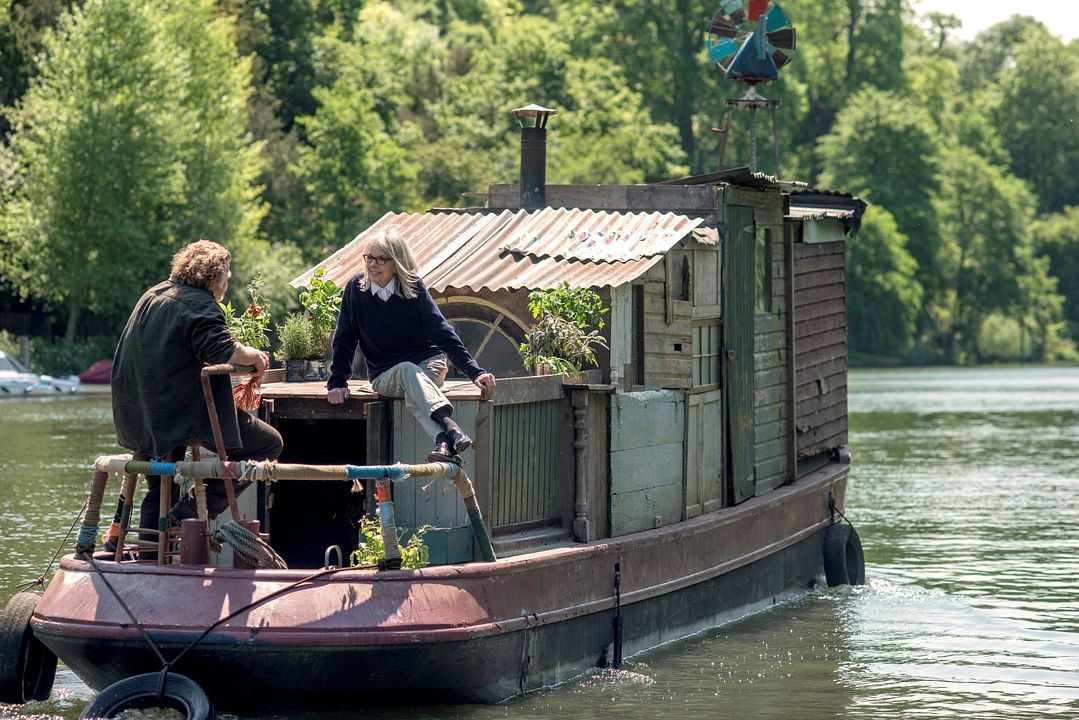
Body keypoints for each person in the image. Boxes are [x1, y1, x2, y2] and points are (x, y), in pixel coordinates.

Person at [111, 240, 283, 549]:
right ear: (215, 279)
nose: (227, 284)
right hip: (177, 413)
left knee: (160, 485)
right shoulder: (199, 303)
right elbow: (223, 349)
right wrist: (255, 357)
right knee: (268, 444)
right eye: (227, 277)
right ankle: (185, 515)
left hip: (141, 413)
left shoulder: (153, 295)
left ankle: (151, 557)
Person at [326, 230, 496, 461]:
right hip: (384, 375)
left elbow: (442, 332)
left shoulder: (414, 287)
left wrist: (475, 372)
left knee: (414, 386)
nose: (372, 265)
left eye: (381, 259)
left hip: (429, 364)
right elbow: (345, 338)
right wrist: (337, 381)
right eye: (369, 258)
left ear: (396, 263)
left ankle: (443, 442)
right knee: (408, 372)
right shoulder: (356, 289)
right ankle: (451, 428)